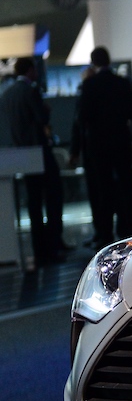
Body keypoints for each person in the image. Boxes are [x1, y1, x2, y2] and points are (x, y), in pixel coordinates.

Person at [1, 57, 67, 264]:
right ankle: (54, 243)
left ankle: (40, 248)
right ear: (30, 70)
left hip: (23, 155)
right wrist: (45, 110)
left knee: (34, 202)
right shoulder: (31, 91)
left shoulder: (7, 93)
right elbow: (41, 119)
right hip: (40, 152)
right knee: (54, 196)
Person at [78, 46, 132, 246]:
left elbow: (84, 116)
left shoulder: (90, 85)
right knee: (127, 183)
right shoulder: (122, 83)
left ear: (93, 62)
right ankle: (130, 226)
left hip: (99, 143)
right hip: (121, 139)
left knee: (103, 187)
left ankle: (105, 232)